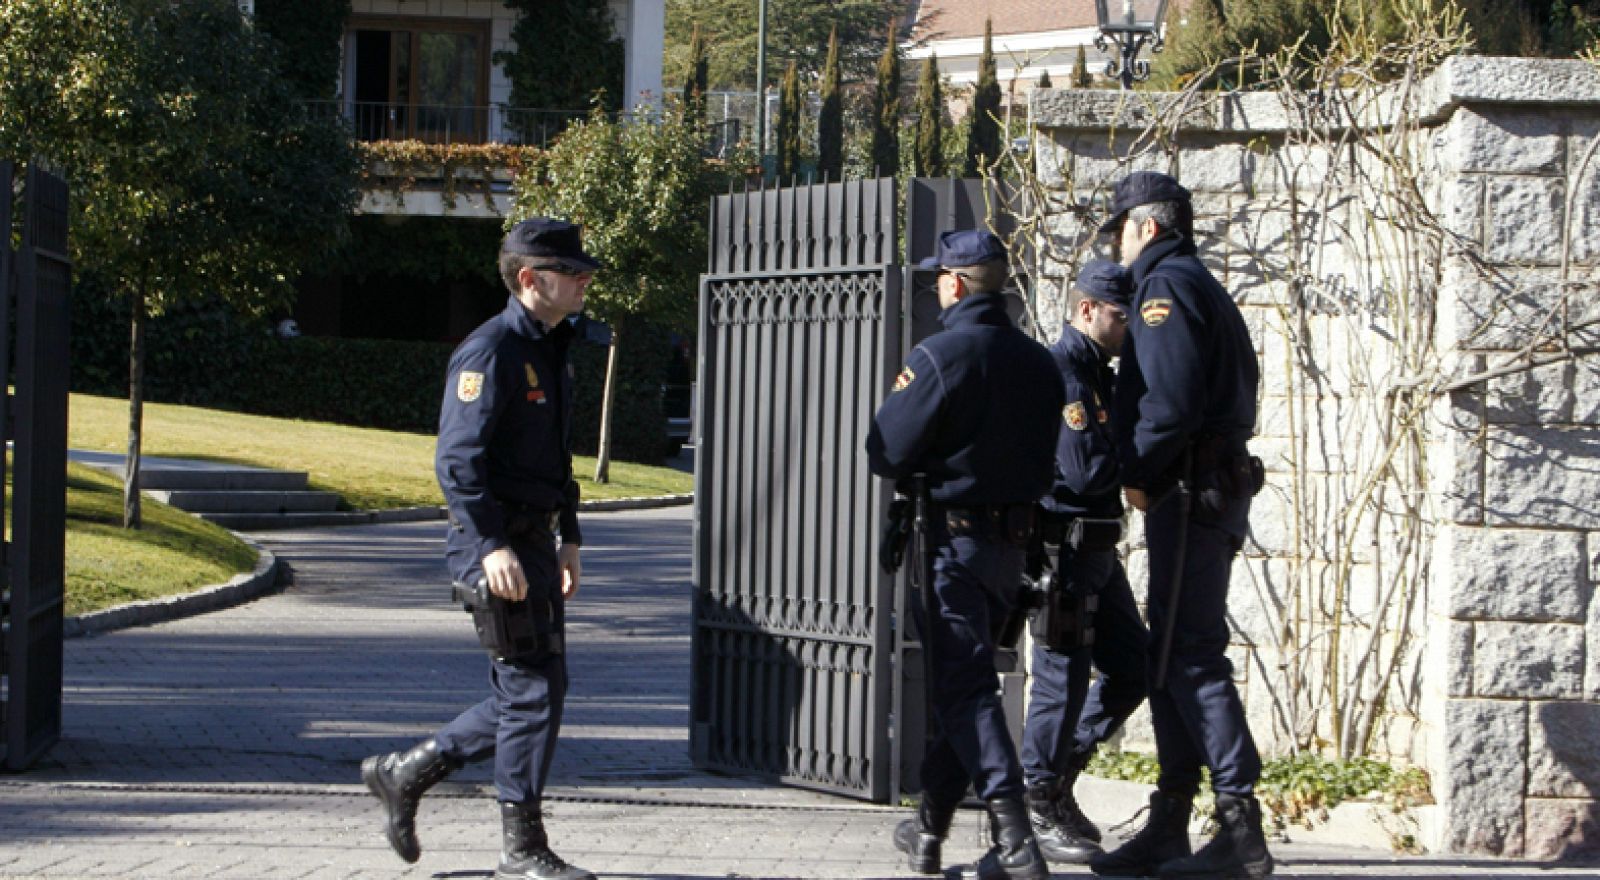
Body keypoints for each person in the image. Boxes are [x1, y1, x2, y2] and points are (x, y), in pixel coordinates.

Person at [361, 218, 600, 880]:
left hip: (536, 541)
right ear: (531, 279)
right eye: (571, 271)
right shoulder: (489, 351)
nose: (584, 281)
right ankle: (520, 849)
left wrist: (570, 533)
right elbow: (457, 461)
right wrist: (491, 545)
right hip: (493, 545)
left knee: (540, 689)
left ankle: (407, 771)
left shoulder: (552, 345)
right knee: (530, 692)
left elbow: (554, 455)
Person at [867, 229, 1066, 880]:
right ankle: (927, 830)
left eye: (938, 280)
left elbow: (884, 450)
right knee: (966, 686)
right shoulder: (1041, 362)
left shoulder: (940, 356)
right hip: (1014, 549)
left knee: (967, 687)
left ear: (953, 283)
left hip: (952, 543)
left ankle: (1015, 841)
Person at [1090, 172, 1272, 880]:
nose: (1118, 245)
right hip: (1204, 489)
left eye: (1120, 230)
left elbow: (1166, 403)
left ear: (1148, 227)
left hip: (1190, 491)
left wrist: (1135, 471)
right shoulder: (1199, 285)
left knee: (1190, 654)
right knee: (1169, 656)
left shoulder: (1164, 291)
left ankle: (1239, 827)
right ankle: (1171, 820)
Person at [1020, 259, 1149, 865]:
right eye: (1120, 317)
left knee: (1136, 666)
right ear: (1087, 309)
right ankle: (1036, 801)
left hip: (1098, 548)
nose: (1127, 329)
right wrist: (1138, 451)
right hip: (1064, 551)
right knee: (1060, 680)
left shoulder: (1103, 372)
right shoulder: (1067, 371)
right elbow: (1086, 469)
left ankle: (1061, 774)